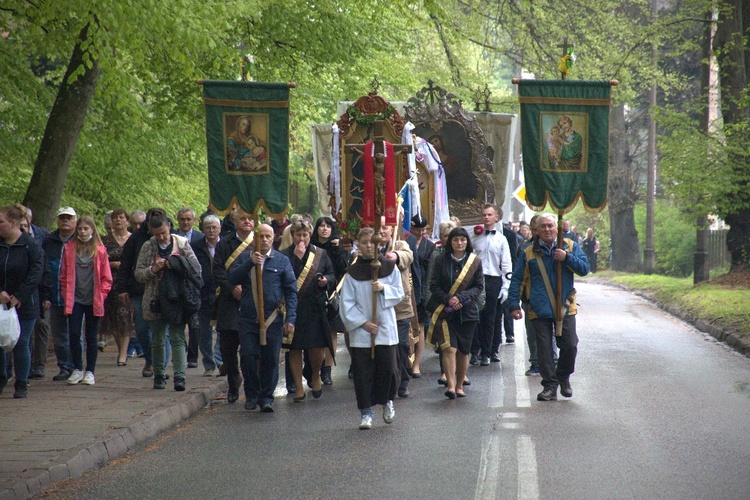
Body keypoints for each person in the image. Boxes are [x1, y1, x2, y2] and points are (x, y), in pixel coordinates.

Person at [508, 214, 589, 401]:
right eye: (543, 226)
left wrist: (567, 257)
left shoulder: (569, 245)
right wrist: (513, 304)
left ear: (557, 227)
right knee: (544, 350)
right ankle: (550, 385)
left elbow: (584, 268)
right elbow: (518, 279)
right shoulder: (528, 251)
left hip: (565, 306)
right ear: (537, 229)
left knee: (570, 345)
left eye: (550, 226)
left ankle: (563, 377)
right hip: (539, 307)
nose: (547, 229)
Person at [228, 224, 297, 413]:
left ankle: (266, 397)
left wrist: (291, 318)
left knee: (271, 359)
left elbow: (291, 291)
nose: (264, 240)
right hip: (248, 317)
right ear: (255, 239)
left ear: (274, 238)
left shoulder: (282, 261)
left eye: (268, 236)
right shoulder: (244, 257)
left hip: (273, 318)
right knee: (248, 355)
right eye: (261, 237)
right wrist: (250, 262)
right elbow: (232, 278)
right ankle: (251, 394)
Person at [340, 227, 404, 430]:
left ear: (379, 244)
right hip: (362, 329)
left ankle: (388, 401)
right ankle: (366, 412)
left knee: (388, 368)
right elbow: (346, 303)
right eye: (365, 242)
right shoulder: (352, 273)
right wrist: (362, 323)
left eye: (372, 242)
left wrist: (384, 289)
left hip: (385, 326)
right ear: (358, 245)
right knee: (363, 371)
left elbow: (400, 293)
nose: (369, 246)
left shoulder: (389, 267)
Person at [135, 214, 202, 391]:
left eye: (163, 233)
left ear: (169, 227)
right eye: (157, 235)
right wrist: (153, 269)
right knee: (157, 339)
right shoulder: (148, 246)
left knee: (177, 337)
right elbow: (139, 274)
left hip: (177, 299)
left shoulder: (181, 243)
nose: (161, 237)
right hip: (155, 299)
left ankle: (180, 377)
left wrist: (176, 264)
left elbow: (196, 268)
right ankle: (159, 374)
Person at [281, 221, 335, 402]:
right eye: (298, 235)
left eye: (305, 235)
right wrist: (296, 259)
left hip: (314, 307)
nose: (302, 238)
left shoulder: (320, 254)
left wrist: (325, 280)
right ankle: (298, 387)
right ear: (293, 235)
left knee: (315, 348)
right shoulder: (285, 255)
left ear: (310, 235)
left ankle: (315, 376)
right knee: (294, 349)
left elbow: (332, 275)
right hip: (294, 309)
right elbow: (285, 280)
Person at [428, 227, 484, 399]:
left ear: (467, 242)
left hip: (467, 312)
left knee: (463, 351)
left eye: (462, 240)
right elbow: (434, 285)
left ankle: (460, 385)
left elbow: (479, 287)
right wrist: (448, 299)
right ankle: (451, 386)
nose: (459, 243)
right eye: (455, 240)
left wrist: (460, 298)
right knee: (449, 348)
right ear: (449, 242)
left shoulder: (475, 262)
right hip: (446, 312)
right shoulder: (440, 260)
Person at [116, 207, 171, 378]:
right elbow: (126, 263)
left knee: (162, 330)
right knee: (141, 328)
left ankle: (160, 365)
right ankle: (150, 359)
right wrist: (122, 288)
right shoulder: (137, 238)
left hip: (166, 291)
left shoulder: (174, 239)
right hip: (141, 289)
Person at [59, 216, 113, 386]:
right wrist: (65, 293)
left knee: (91, 335)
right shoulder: (69, 249)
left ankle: (90, 371)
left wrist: (102, 294)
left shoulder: (100, 250)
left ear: (92, 230)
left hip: (93, 299)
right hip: (75, 299)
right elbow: (63, 275)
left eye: (86, 229)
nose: (82, 232)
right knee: (74, 333)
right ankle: (77, 368)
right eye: (80, 229)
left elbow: (107, 278)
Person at [0, 205, 45, 398]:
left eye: (1, 221)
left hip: (25, 304)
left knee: (21, 342)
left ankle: (21, 383)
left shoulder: (31, 245)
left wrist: (20, 296)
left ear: (13, 223)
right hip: (2, 302)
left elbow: (36, 273)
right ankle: (2, 376)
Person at [213, 208, 255, 404]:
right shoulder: (224, 244)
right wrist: (231, 288)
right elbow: (218, 270)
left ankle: (251, 385)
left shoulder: (260, 241)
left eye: (250, 219)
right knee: (228, 347)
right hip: (229, 301)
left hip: (253, 299)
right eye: (243, 219)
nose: (247, 222)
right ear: (234, 221)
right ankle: (233, 380)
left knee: (249, 349)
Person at [470, 204, 511, 367]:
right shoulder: (474, 237)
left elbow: (506, 264)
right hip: (477, 280)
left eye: (489, 215)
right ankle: (475, 351)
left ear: (496, 217)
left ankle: (488, 352)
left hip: (494, 280)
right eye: (484, 215)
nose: (486, 217)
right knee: (475, 317)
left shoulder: (502, 239)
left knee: (490, 318)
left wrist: (505, 286)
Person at [311, 216, 350, 386]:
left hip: (332, 292)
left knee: (332, 331)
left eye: (328, 226)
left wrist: (336, 250)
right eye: (321, 226)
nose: (325, 229)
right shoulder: (311, 246)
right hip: (312, 292)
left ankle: (327, 369)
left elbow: (343, 268)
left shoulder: (337, 246)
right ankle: (314, 369)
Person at [379, 219, 415, 399]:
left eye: (385, 227)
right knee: (385, 347)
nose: (381, 231)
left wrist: (396, 257)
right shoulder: (372, 246)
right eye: (378, 227)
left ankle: (403, 380)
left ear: (391, 229)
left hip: (400, 306)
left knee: (401, 344)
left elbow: (407, 256)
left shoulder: (400, 244)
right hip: (379, 308)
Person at [42, 206, 78, 381]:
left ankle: (77, 365)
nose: (65, 221)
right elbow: (44, 268)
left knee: (75, 332)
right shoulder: (49, 241)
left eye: (69, 218)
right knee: (59, 334)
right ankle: (64, 366)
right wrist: (46, 294)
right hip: (55, 295)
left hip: (77, 296)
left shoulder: (81, 240)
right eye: (62, 218)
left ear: (75, 221)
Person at [19, 207, 51, 381]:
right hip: (12, 295)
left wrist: (46, 295)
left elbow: (42, 269)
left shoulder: (40, 239)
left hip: (35, 293)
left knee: (39, 327)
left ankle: (36, 366)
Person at [100, 208, 134, 366]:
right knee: (113, 318)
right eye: (115, 218)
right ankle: (122, 350)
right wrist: (113, 264)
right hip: (109, 283)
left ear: (127, 220)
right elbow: (100, 260)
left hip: (127, 282)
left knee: (125, 316)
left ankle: (123, 354)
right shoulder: (105, 240)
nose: (118, 220)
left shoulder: (133, 239)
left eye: (121, 217)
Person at [191, 214, 221, 376]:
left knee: (223, 329)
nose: (211, 230)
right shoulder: (195, 246)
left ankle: (221, 360)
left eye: (214, 227)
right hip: (202, 293)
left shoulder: (225, 245)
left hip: (222, 293)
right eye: (208, 227)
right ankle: (209, 365)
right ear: (203, 229)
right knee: (204, 330)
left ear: (219, 229)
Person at [176, 207, 204, 369]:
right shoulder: (172, 237)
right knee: (178, 321)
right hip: (178, 286)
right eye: (182, 219)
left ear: (194, 220)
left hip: (195, 286)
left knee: (195, 324)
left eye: (188, 219)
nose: (185, 222)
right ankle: (180, 351)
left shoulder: (200, 238)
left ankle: (192, 355)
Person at [410, 214, 434, 378]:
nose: (420, 232)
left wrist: (427, 295)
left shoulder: (429, 245)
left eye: (423, 229)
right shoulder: (406, 242)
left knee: (419, 327)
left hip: (422, 287)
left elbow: (430, 272)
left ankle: (417, 363)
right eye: (417, 229)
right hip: (408, 287)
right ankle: (408, 359)